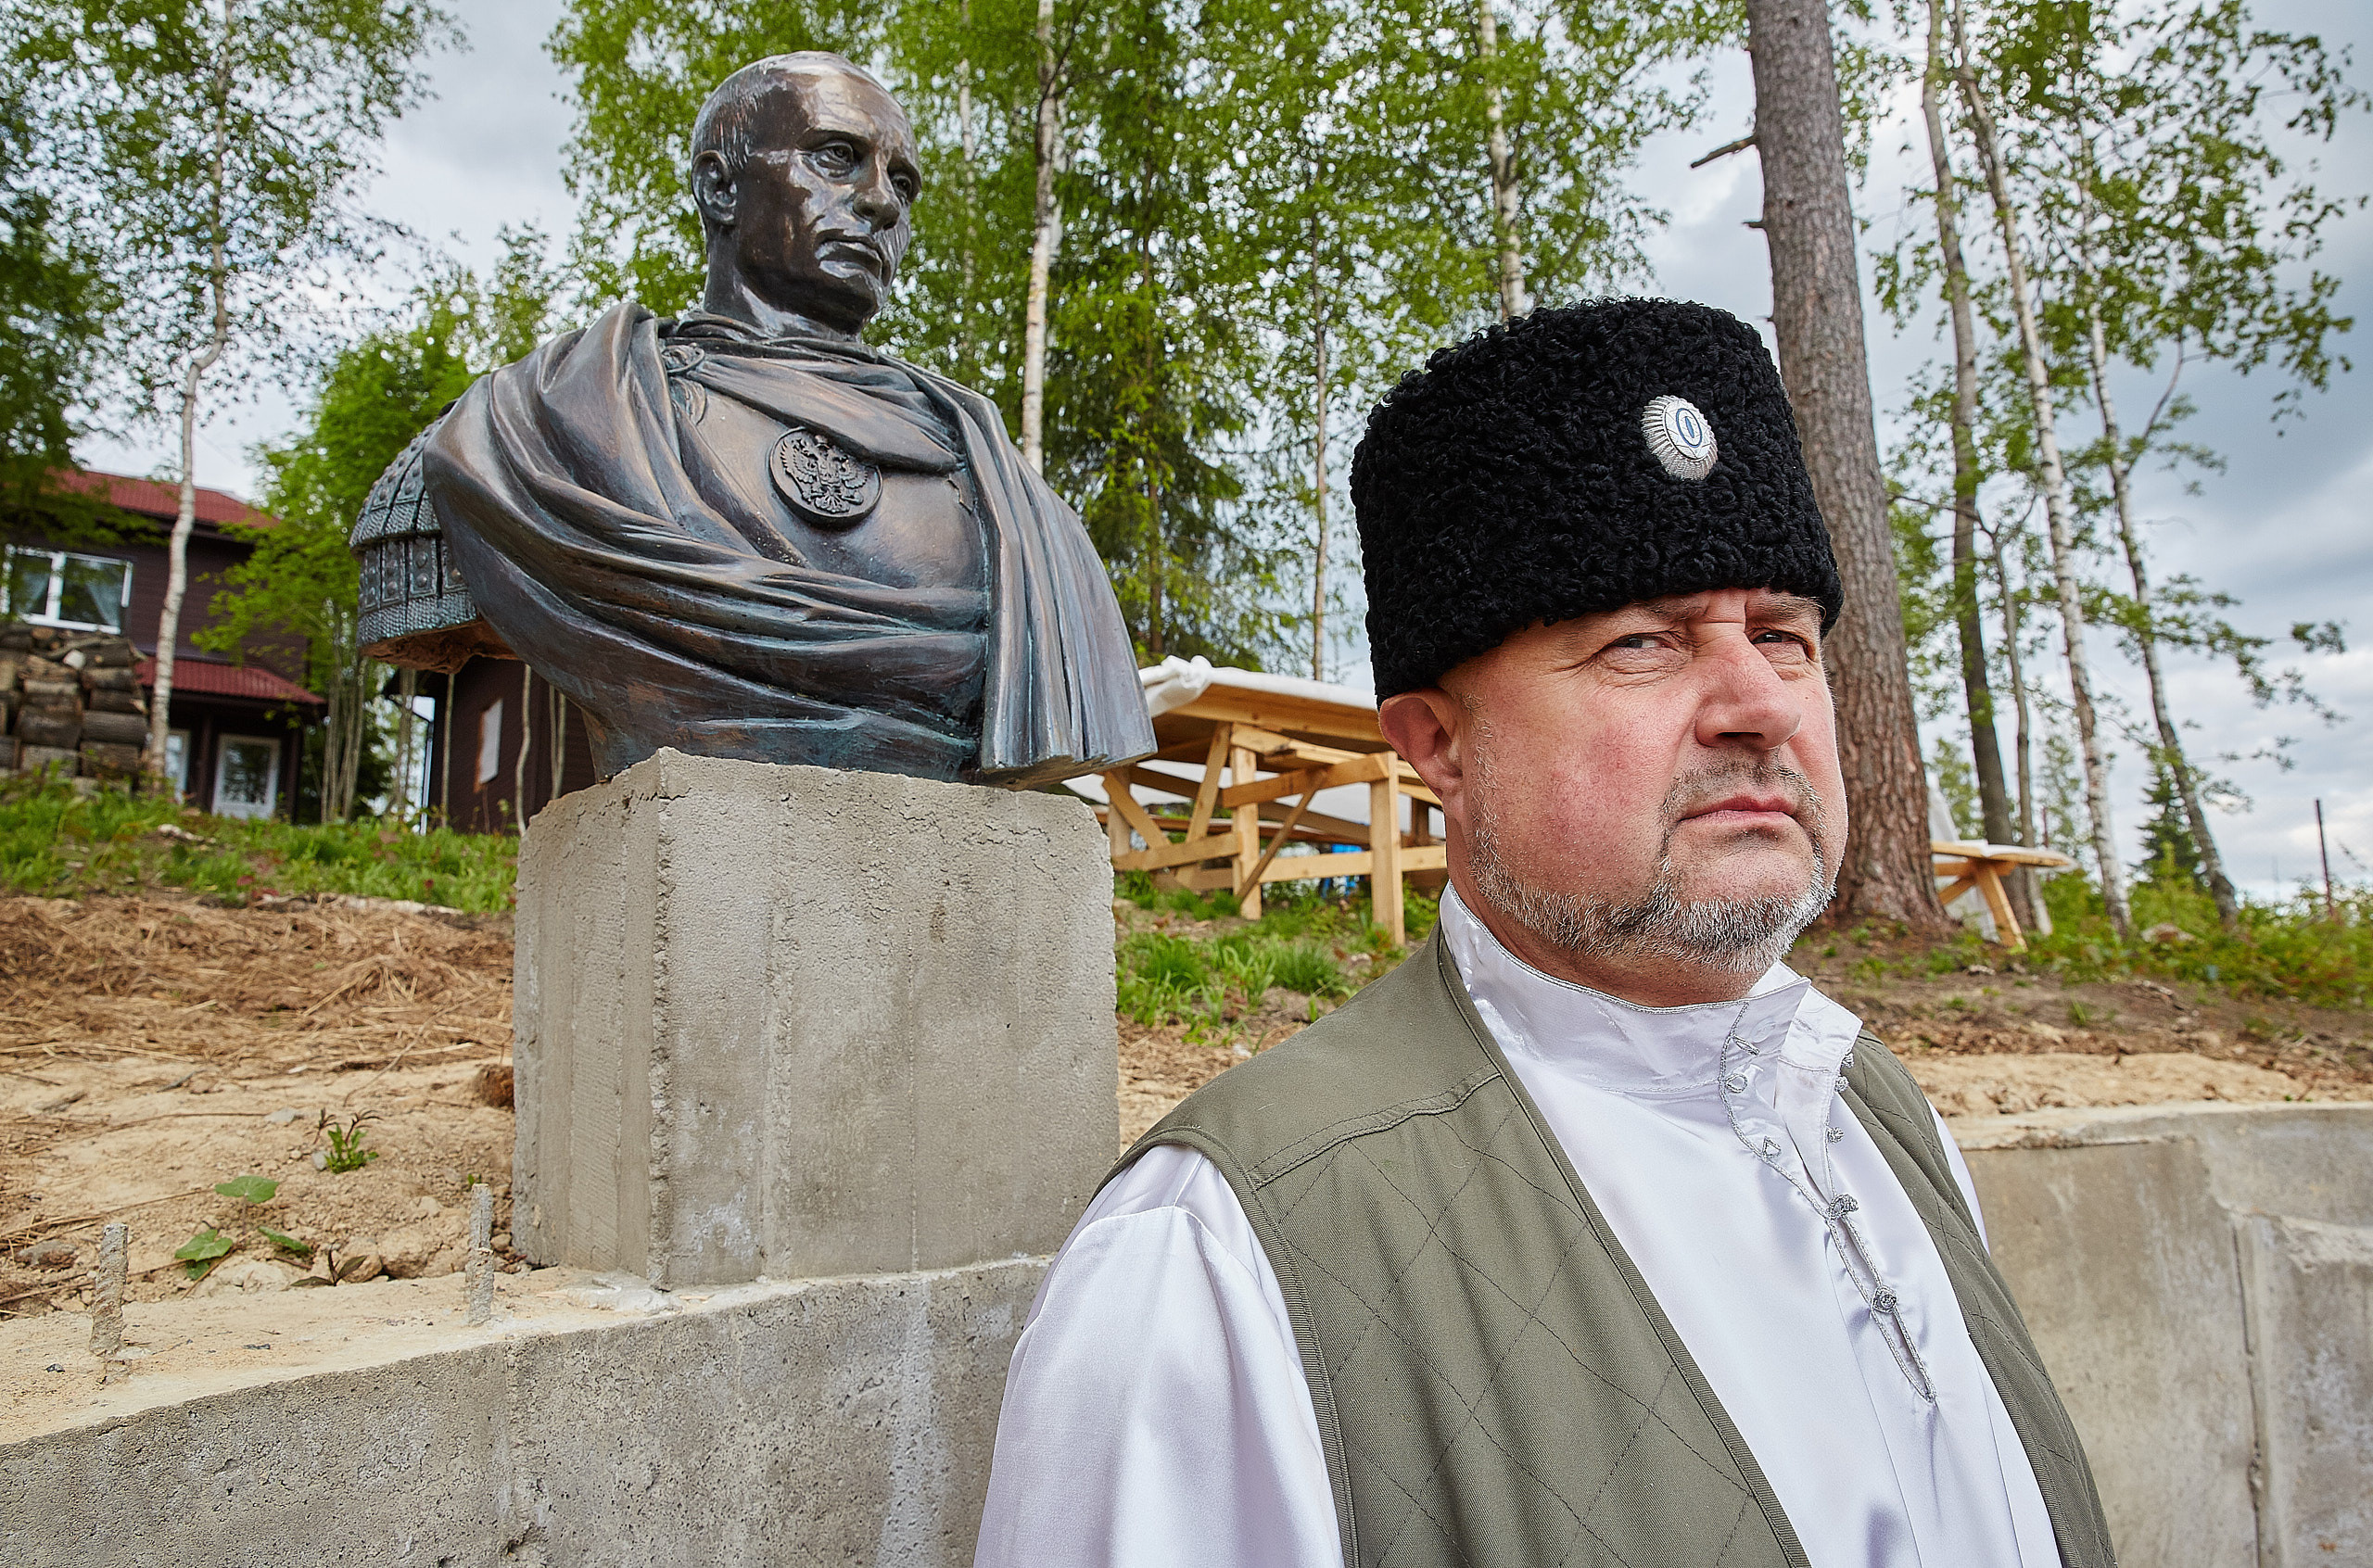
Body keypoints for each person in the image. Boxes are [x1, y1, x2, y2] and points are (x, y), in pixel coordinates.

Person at [972, 301, 2113, 1567]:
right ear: (1439, 751)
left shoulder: (1880, 1118)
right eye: (1642, 644)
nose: (1757, 704)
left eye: (1785, 636)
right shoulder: (1223, 1261)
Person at [368, 52, 1150, 788]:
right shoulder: (539, 424)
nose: (880, 202)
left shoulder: (1003, 486)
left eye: (902, 184)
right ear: (720, 187)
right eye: (836, 158)